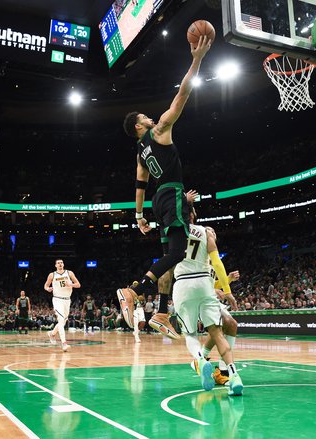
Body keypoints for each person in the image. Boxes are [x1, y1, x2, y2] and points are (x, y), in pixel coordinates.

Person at [116, 34, 212, 340]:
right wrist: (197, 59)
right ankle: (135, 291)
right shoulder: (159, 130)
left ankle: (160, 311)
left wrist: (139, 216)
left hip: (158, 199)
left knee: (167, 259)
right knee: (178, 252)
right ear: (138, 126)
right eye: (144, 115)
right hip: (171, 194)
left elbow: (139, 186)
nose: (149, 115)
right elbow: (182, 94)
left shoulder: (139, 153)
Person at [173, 203, 243, 396]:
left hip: (187, 286)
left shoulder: (177, 233)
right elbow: (215, 275)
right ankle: (224, 370)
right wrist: (226, 289)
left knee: (223, 326)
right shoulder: (205, 240)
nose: (211, 231)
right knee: (218, 330)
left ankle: (205, 362)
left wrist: (226, 281)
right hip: (204, 287)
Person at [44, 259, 81, 352]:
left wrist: (71, 284)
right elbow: (46, 285)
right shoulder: (52, 275)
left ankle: (52, 334)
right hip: (57, 299)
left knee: (63, 322)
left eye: (61, 263)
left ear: (63, 264)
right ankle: (64, 343)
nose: (60, 264)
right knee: (61, 320)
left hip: (67, 300)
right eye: (58, 263)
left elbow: (78, 284)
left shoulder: (69, 273)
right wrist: (48, 288)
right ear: (55, 265)